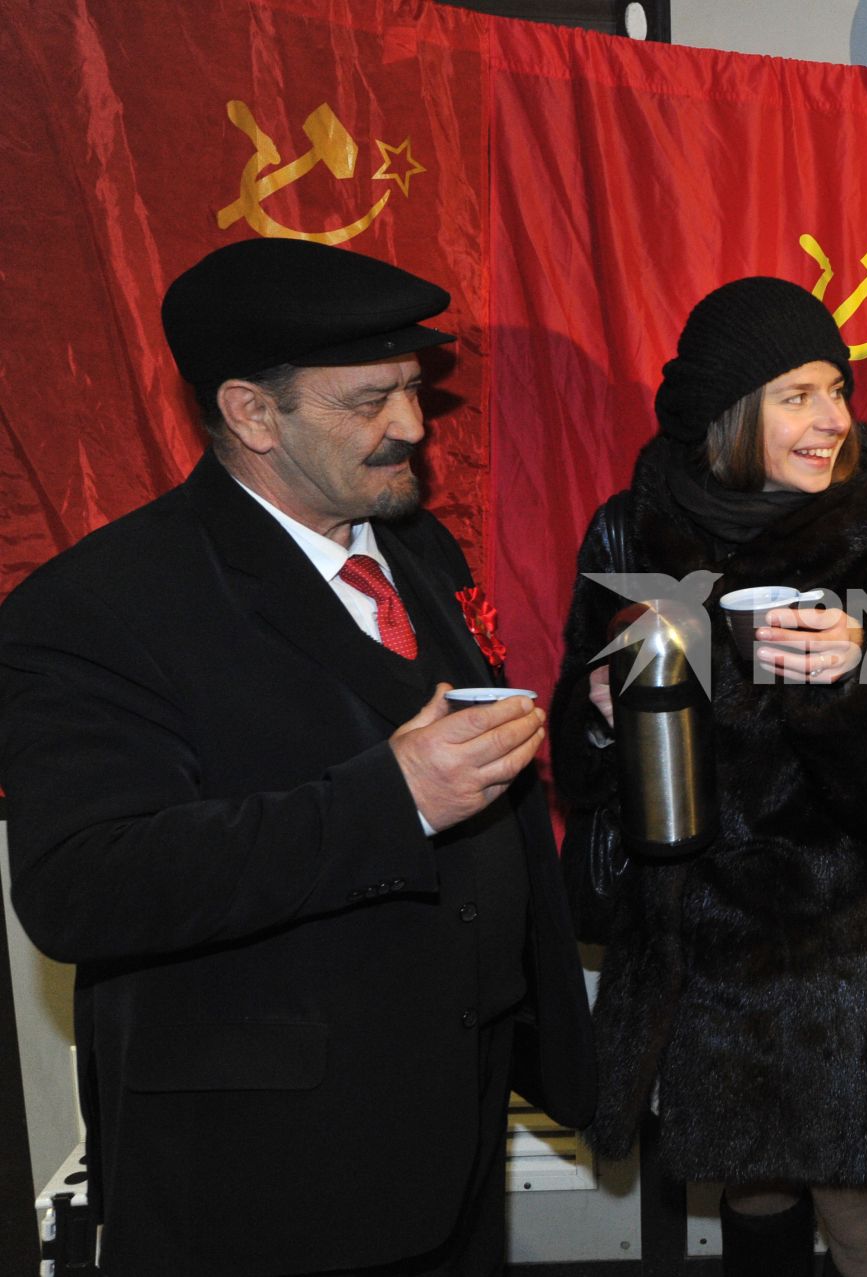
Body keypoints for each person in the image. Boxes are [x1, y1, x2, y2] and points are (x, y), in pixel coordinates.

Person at [0, 238, 596, 1276]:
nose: (411, 426)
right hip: (265, 1186)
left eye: (413, 390)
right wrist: (394, 799)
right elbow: (82, 884)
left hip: (450, 1138)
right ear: (251, 412)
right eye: (371, 400)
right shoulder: (99, 607)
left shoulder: (418, 551)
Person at [550, 276, 867, 1277]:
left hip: (846, 962)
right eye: (799, 395)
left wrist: (853, 680)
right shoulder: (632, 532)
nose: (835, 420)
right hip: (702, 943)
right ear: (730, 414)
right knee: (751, 1188)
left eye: (839, 390)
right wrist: (602, 715)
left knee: (860, 1203)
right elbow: (577, 760)